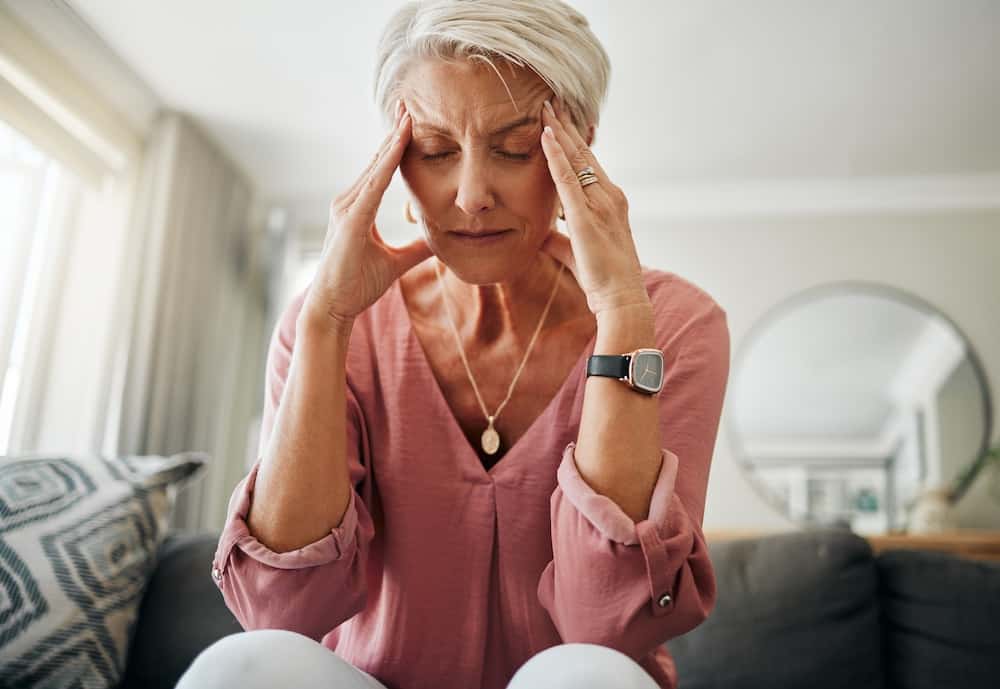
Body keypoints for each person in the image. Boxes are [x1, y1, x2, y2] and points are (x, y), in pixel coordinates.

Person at [177, 1, 730, 688]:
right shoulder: (336, 325)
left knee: (592, 675)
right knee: (242, 666)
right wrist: (325, 322)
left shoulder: (673, 321)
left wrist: (620, 314)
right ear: (396, 156)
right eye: (436, 151)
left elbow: (608, 627)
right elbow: (279, 611)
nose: (470, 195)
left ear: (581, 149)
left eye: (515, 148)